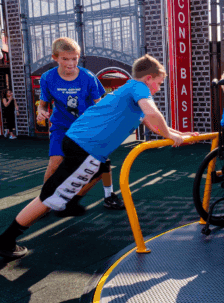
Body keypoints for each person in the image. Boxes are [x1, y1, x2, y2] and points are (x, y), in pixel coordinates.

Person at [0, 54, 197, 259]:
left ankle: (69, 202)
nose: (158, 88)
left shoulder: (130, 90)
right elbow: (154, 114)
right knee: (49, 196)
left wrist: (181, 135)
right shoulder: (140, 88)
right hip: (86, 147)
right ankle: (6, 240)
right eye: (159, 83)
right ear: (149, 78)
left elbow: (151, 123)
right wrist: (171, 135)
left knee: (97, 170)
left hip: (82, 144)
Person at [36, 37, 123, 216]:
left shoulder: (88, 77)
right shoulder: (47, 78)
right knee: (55, 163)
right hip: (61, 126)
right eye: (65, 59)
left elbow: (99, 104)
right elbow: (43, 104)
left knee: (102, 163)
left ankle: (109, 196)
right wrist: (40, 111)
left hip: (87, 127)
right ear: (55, 57)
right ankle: (43, 202)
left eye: (74, 58)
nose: (71, 63)